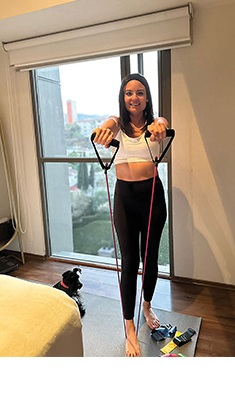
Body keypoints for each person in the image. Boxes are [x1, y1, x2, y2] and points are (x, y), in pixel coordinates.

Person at [91, 73, 170, 357]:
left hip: (152, 197)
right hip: (125, 198)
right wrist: (103, 128)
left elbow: (163, 124)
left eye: (139, 93)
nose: (133, 97)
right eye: (128, 93)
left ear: (147, 98)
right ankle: (129, 327)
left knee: (150, 258)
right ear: (123, 99)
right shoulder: (116, 124)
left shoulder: (155, 126)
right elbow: (108, 124)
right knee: (129, 261)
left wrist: (161, 124)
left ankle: (146, 307)